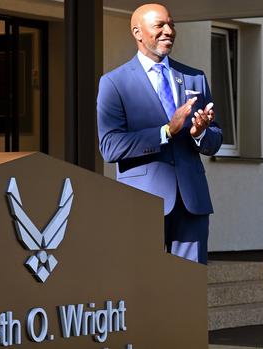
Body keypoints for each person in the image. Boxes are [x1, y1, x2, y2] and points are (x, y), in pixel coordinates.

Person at [97, 3, 223, 265]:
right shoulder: (114, 83)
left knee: (189, 287)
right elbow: (109, 146)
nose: (169, 31)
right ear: (137, 32)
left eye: (171, 24)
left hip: (192, 202)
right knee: (145, 284)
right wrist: (166, 131)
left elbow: (215, 138)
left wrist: (199, 133)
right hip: (143, 202)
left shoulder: (194, 78)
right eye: (159, 26)